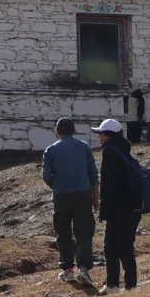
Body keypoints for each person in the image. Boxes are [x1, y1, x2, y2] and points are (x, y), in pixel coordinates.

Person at [40, 116, 99, 287]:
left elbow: (45, 175)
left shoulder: (50, 150)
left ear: (57, 132)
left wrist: (56, 185)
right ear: (73, 131)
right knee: (84, 232)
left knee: (63, 232)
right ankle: (83, 268)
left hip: (61, 196)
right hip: (83, 194)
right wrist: (95, 198)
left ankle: (67, 269)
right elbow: (93, 175)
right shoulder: (84, 147)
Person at [95, 117, 142, 294]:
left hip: (117, 208)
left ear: (109, 135)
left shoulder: (109, 152)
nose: (99, 137)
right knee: (126, 246)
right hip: (133, 207)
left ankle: (112, 285)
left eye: (101, 134)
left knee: (110, 247)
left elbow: (108, 186)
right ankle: (131, 285)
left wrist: (104, 211)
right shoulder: (125, 152)